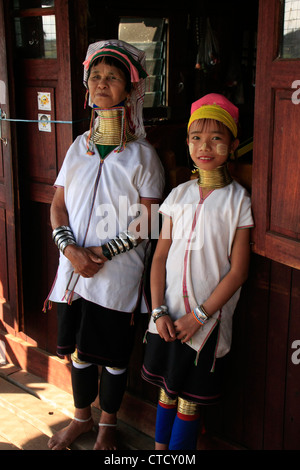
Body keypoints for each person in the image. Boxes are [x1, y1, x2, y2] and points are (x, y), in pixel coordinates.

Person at [45, 39, 164, 450]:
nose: (101, 83)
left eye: (112, 77)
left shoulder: (144, 157)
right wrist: (71, 250)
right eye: (95, 76)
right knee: (78, 352)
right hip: (73, 270)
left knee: (113, 356)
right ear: (86, 86)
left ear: (130, 91)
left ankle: (108, 426)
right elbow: (58, 204)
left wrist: (103, 253)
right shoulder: (78, 147)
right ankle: (81, 418)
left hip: (115, 277)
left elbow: (149, 220)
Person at [141, 93, 254, 450]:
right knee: (166, 391)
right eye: (196, 138)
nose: (205, 146)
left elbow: (238, 273)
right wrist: (158, 310)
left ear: (233, 144)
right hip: (168, 317)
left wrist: (200, 316)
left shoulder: (239, 201)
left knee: (189, 398)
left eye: (216, 138)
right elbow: (159, 258)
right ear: (187, 142)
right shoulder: (178, 195)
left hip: (205, 323)